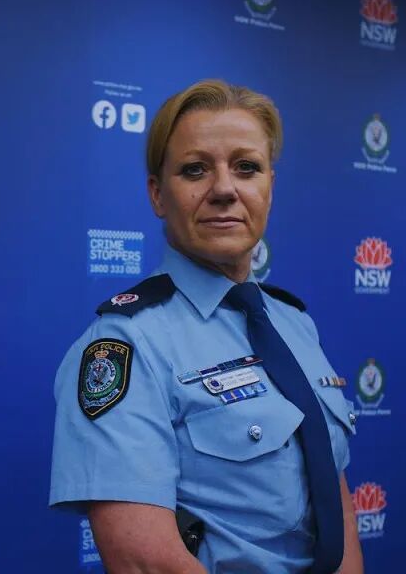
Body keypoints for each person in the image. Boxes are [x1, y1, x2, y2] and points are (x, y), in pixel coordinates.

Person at [49, 79, 364, 574]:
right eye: (195, 169)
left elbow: (335, 503)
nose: (223, 189)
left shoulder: (294, 324)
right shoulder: (126, 344)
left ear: (269, 187)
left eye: (246, 167)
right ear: (158, 195)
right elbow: (144, 562)